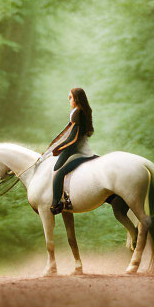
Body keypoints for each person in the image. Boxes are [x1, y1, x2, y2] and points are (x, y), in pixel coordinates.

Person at [44, 87, 95, 215]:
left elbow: (73, 139)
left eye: (70, 97)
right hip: (81, 150)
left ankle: (56, 204)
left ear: (76, 98)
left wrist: (58, 149)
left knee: (58, 173)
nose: (69, 100)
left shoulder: (76, 112)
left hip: (80, 152)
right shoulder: (83, 111)